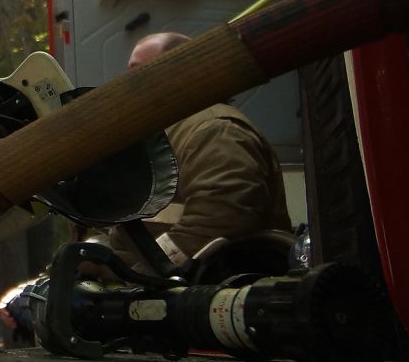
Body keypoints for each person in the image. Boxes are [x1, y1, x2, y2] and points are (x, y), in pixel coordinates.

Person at [109, 31, 293, 272]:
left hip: (213, 292)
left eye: (139, 70)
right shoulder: (161, 135)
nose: (126, 81)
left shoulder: (213, 130)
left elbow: (220, 218)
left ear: (182, 73)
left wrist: (144, 273)